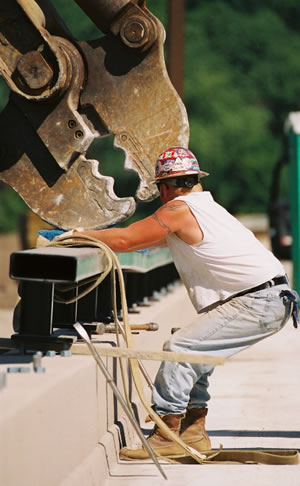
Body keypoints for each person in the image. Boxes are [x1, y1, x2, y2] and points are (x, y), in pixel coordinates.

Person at [72, 147, 299, 460]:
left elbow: (125, 241)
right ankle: (193, 430)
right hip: (270, 297)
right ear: (195, 180)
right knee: (196, 351)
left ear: (163, 187)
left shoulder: (178, 209)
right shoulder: (206, 208)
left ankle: (167, 433)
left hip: (258, 300)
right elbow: (140, 241)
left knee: (181, 348)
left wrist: (74, 234)